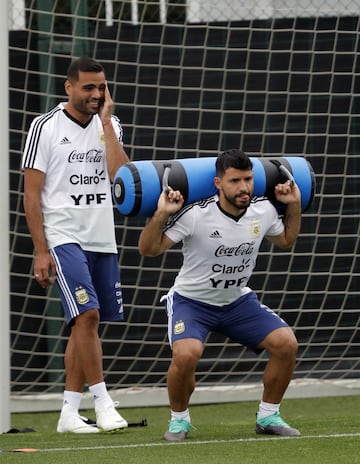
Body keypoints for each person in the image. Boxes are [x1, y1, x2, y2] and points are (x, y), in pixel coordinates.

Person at [138, 148, 302, 441]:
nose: (244, 187)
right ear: (218, 184)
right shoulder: (196, 215)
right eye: (235, 181)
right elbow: (148, 250)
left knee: (286, 343)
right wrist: (162, 213)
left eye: (248, 179)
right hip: (192, 302)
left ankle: (268, 416)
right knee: (187, 355)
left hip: (236, 300)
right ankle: (179, 421)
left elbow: (287, 240)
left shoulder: (263, 210)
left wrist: (294, 204)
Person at [22, 57, 129, 433]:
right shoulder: (44, 127)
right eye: (89, 87)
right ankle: (102, 401)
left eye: (101, 87)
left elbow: (121, 179)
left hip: (102, 234)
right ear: (68, 88)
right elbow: (31, 195)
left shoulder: (110, 124)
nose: (97, 94)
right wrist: (40, 249)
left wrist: (105, 124)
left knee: (84, 325)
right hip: (63, 234)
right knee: (88, 316)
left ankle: (69, 412)